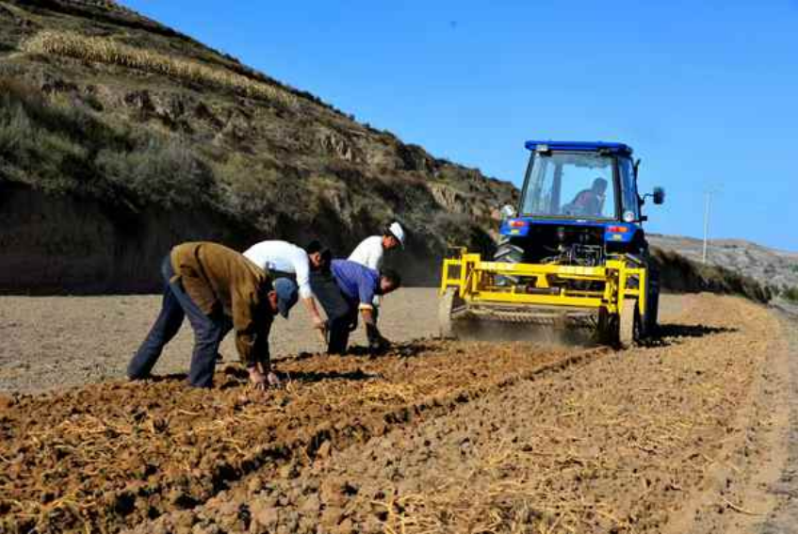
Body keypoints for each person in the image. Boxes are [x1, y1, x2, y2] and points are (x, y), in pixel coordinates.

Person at [127, 242, 298, 389]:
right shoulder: (251, 288)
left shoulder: (265, 292)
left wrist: (268, 370)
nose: (275, 312)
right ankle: (199, 385)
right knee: (209, 328)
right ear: (273, 296)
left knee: (168, 323)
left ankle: (136, 371)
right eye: (277, 307)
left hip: (182, 262)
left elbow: (261, 332)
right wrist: (253, 370)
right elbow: (244, 328)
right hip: (184, 266)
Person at [310, 259, 402, 355]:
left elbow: (355, 301)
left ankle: (333, 339)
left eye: (389, 291)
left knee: (346, 315)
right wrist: (374, 337)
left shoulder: (370, 278)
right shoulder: (369, 280)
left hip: (328, 277)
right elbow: (365, 311)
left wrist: (354, 318)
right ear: (384, 278)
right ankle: (335, 352)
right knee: (343, 313)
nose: (385, 292)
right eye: (387, 288)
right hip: (321, 276)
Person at [243, 239, 330, 336]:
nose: (319, 269)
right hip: (250, 265)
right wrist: (315, 316)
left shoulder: (295, 254)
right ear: (317, 257)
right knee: (256, 310)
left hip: (250, 262)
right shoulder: (302, 258)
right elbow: (304, 287)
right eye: (321, 265)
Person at [348, 222, 405, 322]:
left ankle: (327, 326)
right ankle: (373, 336)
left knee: (349, 316)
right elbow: (372, 275)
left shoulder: (375, 241)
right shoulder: (377, 250)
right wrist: (375, 301)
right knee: (353, 316)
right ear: (391, 239)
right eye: (396, 245)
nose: (394, 249)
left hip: (353, 277)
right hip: (352, 280)